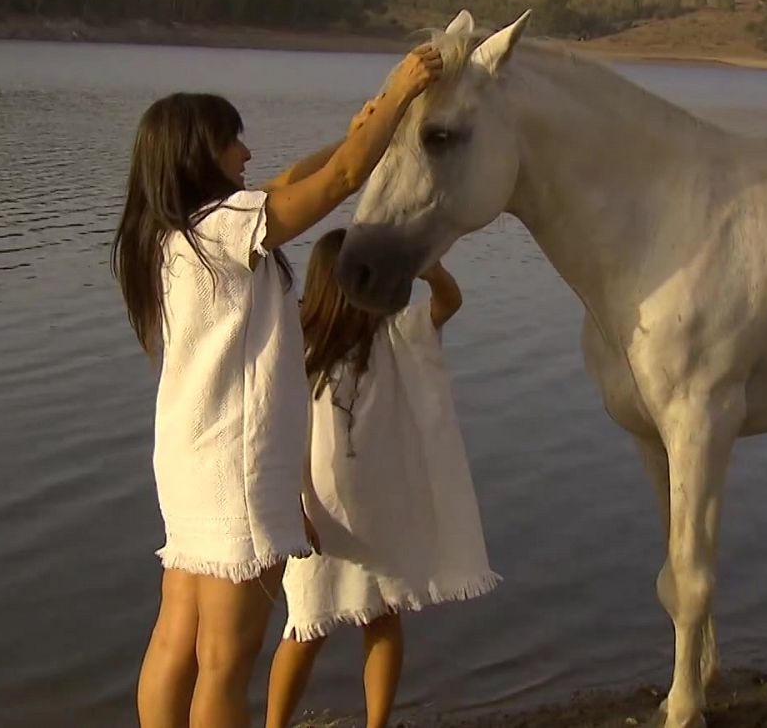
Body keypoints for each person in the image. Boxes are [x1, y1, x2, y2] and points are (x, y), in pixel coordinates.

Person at [111, 43, 443, 728]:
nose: (247, 152)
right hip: (234, 466)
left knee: (176, 638)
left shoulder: (173, 236)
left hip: (188, 461)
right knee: (225, 663)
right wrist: (403, 93)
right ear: (199, 156)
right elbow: (342, 178)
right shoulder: (226, 230)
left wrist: (359, 133)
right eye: (232, 141)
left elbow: (298, 177)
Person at [264, 231, 498, 728]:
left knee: (382, 612)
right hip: (320, 515)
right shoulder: (299, 346)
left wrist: (422, 263)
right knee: (307, 622)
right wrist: (290, 508)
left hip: (379, 508)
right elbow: (277, 435)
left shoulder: (392, 335)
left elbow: (449, 301)